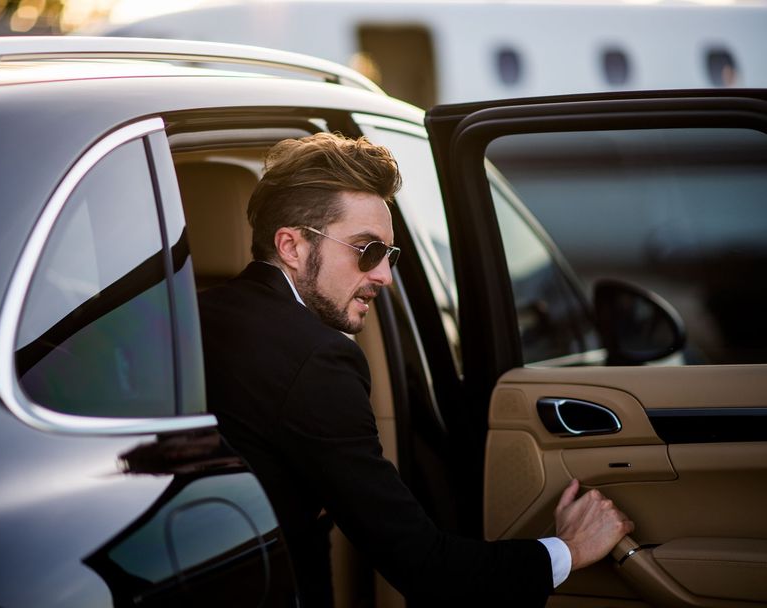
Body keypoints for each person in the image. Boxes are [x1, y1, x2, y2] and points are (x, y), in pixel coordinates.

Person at [198, 132, 634, 606]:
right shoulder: (319, 360)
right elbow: (426, 567)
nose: (384, 275)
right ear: (292, 246)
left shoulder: (191, 320)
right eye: (367, 251)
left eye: (389, 255)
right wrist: (567, 550)